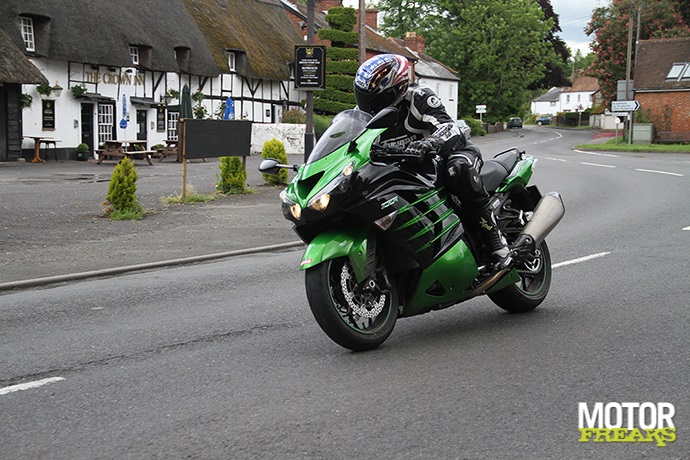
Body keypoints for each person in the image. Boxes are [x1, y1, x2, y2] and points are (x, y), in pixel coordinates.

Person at [353, 53, 510, 269]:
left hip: (449, 154)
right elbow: (351, 145)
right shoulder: (361, 116)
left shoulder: (418, 97)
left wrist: (431, 143)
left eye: (376, 98)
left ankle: (495, 241)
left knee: (458, 171)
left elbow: (449, 127)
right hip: (408, 169)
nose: (369, 104)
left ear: (397, 88)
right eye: (364, 97)